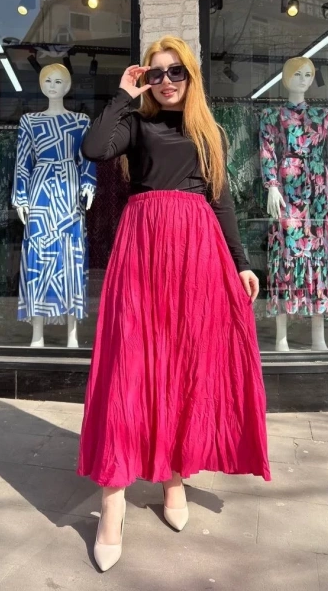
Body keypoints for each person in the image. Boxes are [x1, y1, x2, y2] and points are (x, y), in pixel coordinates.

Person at [76, 36, 271, 572]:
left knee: (184, 364)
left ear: (191, 76)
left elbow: (221, 200)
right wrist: (123, 94)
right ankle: (112, 501)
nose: (166, 81)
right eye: (156, 73)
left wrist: (241, 262)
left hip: (196, 253)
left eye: (175, 71)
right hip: (142, 249)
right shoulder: (135, 125)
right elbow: (93, 148)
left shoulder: (210, 133)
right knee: (129, 366)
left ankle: (173, 476)